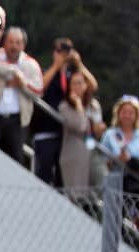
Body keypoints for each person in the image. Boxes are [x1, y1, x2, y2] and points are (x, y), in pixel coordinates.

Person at [32, 38, 98, 188]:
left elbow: (91, 86)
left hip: (64, 136)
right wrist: (56, 65)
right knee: (43, 176)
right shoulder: (48, 73)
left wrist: (79, 64)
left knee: (61, 181)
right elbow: (39, 87)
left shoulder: (71, 78)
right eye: (60, 51)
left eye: (67, 52)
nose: (63, 55)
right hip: (46, 132)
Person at [0, 27, 44, 163]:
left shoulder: (31, 64)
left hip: (17, 121)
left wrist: (22, 84)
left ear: (23, 45)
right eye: (10, 42)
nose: (14, 46)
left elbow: (38, 90)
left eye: (18, 42)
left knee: (16, 158)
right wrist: (13, 71)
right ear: (4, 43)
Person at [58, 72, 104, 196]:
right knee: (77, 196)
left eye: (80, 83)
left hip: (92, 152)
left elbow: (97, 131)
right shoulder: (64, 107)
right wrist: (78, 104)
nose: (77, 86)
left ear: (85, 85)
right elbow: (80, 126)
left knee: (102, 184)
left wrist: (99, 129)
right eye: (74, 83)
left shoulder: (94, 105)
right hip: (74, 155)